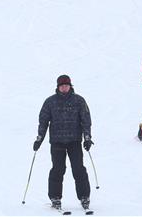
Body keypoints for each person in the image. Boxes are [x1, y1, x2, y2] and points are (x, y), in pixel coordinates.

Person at [33, 75, 93, 213]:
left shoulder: (79, 101)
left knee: (78, 169)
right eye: (62, 86)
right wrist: (39, 139)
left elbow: (86, 120)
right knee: (58, 169)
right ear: (58, 87)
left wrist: (87, 138)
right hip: (57, 142)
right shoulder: (50, 102)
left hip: (74, 141)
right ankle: (55, 198)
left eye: (66, 85)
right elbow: (43, 121)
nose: (64, 88)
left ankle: (84, 197)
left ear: (70, 86)